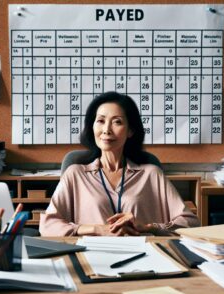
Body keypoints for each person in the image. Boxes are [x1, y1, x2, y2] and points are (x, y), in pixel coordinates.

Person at [39, 91, 200, 236]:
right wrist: (95, 229)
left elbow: (191, 224)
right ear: (92, 126)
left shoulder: (151, 174)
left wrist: (148, 227)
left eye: (117, 122)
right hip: (92, 256)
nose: (106, 130)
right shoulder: (75, 174)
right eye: (100, 121)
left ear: (130, 130)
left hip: (143, 257)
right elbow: (47, 226)